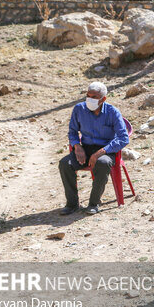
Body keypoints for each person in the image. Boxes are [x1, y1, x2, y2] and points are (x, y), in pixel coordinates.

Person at [58, 82, 129, 215]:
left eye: (94, 97)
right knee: (64, 164)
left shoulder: (113, 112)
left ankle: (93, 203)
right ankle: (72, 204)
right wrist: (77, 146)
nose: (90, 99)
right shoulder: (79, 109)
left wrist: (101, 152)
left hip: (106, 150)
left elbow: (123, 138)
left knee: (103, 163)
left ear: (103, 99)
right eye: (88, 95)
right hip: (85, 149)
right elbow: (72, 132)